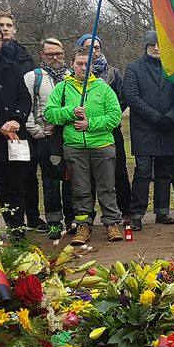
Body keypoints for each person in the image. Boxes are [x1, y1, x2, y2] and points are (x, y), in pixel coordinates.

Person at [43, 46, 123, 245]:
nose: (83, 68)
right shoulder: (62, 88)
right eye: (79, 64)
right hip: (74, 147)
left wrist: (91, 124)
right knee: (80, 189)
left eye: (88, 64)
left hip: (102, 145)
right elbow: (50, 113)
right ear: (72, 65)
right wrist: (71, 112)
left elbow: (115, 117)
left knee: (107, 187)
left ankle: (112, 223)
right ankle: (83, 225)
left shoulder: (104, 88)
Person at [124, 31, 174, 231]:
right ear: (146, 47)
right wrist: (156, 117)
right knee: (143, 172)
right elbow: (131, 96)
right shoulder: (133, 68)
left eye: (159, 45)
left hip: (169, 127)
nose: (156, 49)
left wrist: (171, 117)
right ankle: (137, 214)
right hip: (144, 129)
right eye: (152, 45)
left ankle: (162, 210)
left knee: (165, 172)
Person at [76, 34, 131, 222]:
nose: (94, 51)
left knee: (118, 172)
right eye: (89, 47)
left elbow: (122, 99)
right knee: (85, 176)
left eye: (97, 48)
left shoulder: (112, 73)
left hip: (110, 130)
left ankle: (124, 211)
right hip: (82, 132)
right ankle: (86, 215)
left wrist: (104, 118)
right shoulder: (73, 77)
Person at [23, 39, 74, 238]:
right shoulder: (33, 77)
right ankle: (54, 221)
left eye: (59, 54)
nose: (55, 58)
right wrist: (35, 131)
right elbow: (26, 106)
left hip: (67, 136)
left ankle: (71, 219)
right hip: (43, 136)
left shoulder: (71, 77)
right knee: (50, 180)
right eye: (50, 54)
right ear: (42, 55)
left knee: (70, 178)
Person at [0, 21, 30, 236]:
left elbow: (24, 97)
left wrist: (16, 119)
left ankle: (18, 233)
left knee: (15, 188)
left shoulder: (11, 66)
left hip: (14, 137)